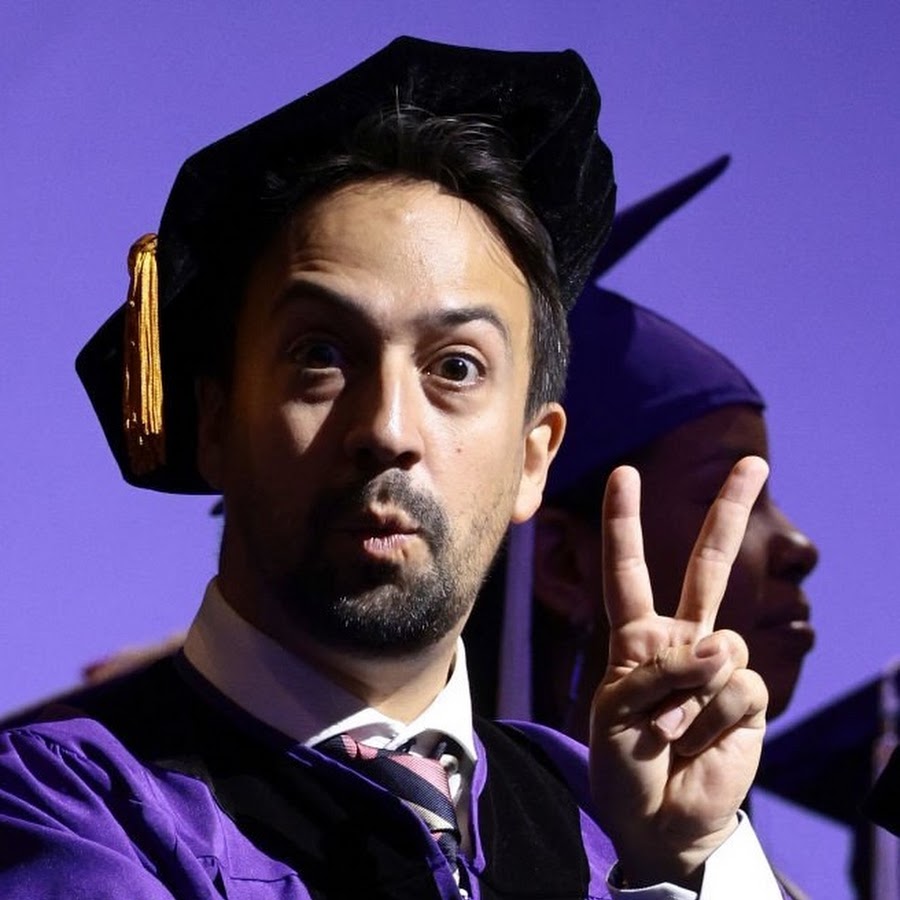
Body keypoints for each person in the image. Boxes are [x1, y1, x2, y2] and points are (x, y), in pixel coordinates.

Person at [0, 36, 783, 898]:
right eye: (322, 356)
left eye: (455, 367)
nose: (387, 428)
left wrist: (681, 870)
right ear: (215, 423)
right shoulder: (71, 803)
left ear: (534, 458)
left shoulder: (604, 811)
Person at [520, 164, 820, 746]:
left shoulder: (712, 837)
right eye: (726, 494)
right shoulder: (440, 830)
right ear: (566, 564)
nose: (799, 548)